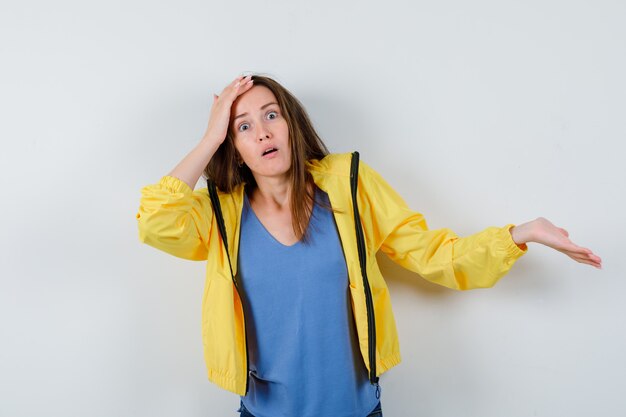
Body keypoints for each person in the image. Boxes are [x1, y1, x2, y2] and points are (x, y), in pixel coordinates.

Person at [135, 74, 602, 417]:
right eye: (242, 126)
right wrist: (209, 136)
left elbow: (433, 254)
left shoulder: (350, 188)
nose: (262, 132)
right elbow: (155, 223)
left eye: (271, 115)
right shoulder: (220, 213)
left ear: (291, 124)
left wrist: (519, 234)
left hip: (358, 411)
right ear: (233, 146)